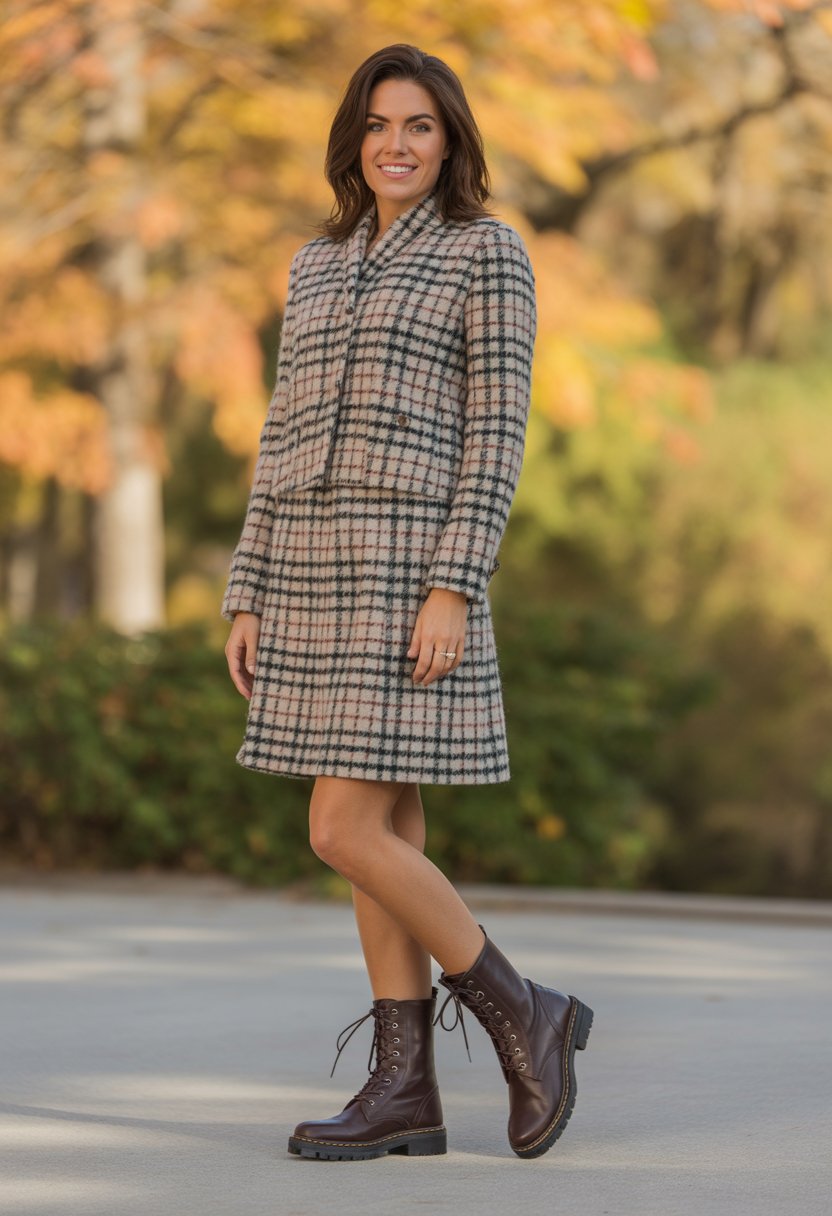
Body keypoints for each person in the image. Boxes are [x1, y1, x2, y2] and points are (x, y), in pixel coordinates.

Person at [221, 43, 593, 1162]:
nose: (395, 143)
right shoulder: (316, 263)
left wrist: (451, 583)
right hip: (310, 568)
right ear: (354, 139)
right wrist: (247, 584)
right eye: (378, 124)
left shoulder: (488, 254)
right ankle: (406, 1091)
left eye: (419, 125)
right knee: (379, 829)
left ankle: (523, 1008)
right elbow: (278, 432)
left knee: (338, 827)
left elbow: (496, 437)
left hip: (405, 573)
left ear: (450, 140)